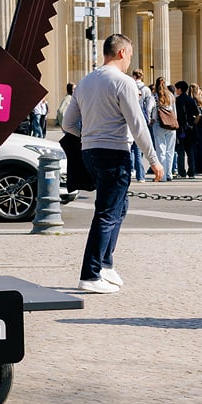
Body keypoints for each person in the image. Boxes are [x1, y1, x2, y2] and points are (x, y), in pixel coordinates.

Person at [61, 34, 166, 294]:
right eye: (130, 54)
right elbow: (137, 124)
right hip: (113, 151)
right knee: (107, 213)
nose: (130, 60)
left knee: (118, 207)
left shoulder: (85, 82)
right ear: (121, 53)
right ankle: (90, 273)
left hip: (90, 152)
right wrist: (154, 160)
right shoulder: (123, 82)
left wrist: (89, 135)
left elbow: (67, 124)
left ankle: (106, 264)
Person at [148, 76, 175, 181]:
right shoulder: (171, 96)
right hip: (171, 125)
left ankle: (162, 176)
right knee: (170, 151)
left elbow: (148, 110)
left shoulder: (154, 97)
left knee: (160, 150)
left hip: (159, 124)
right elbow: (174, 111)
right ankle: (169, 174)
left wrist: (151, 119)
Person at [173, 81, 202, 178]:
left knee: (180, 151)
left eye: (176, 89)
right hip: (190, 128)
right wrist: (194, 123)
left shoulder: (177, 100)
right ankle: (191, 172)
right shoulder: (190, 99)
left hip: (180, 128)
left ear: (179, 89)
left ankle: (182, 172)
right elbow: (198, 114)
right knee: (190, 151)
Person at [129, 68, 154, 178]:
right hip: (142, 118)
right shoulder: (147, 90)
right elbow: (148, 106)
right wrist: (148, 119)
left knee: (130, 147)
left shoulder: (129, 86)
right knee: (139, 148)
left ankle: (131, 169)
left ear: (134, 76)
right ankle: (140, 175)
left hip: (130, 117)